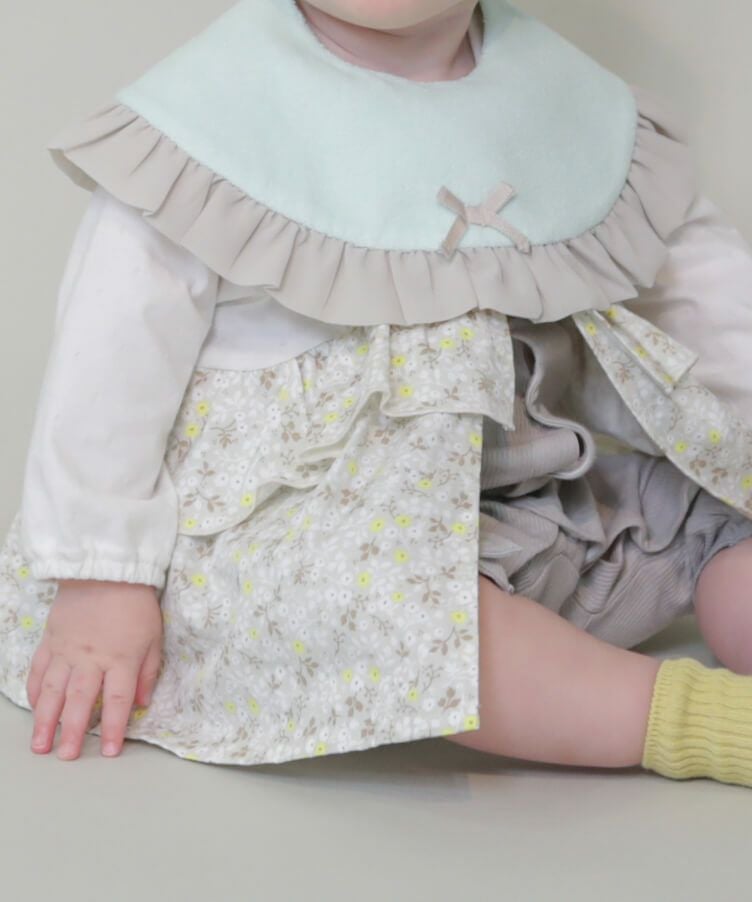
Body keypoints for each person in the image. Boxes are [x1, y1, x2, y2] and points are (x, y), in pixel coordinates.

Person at [2, 0, 752, 788]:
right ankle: (689, 718)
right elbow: (112, 360)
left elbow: (700, 291)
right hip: (314, 533)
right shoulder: (210, 115)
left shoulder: (565, 99)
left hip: (542, 501)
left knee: (714, 514)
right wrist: (103, 575)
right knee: (414, 626)